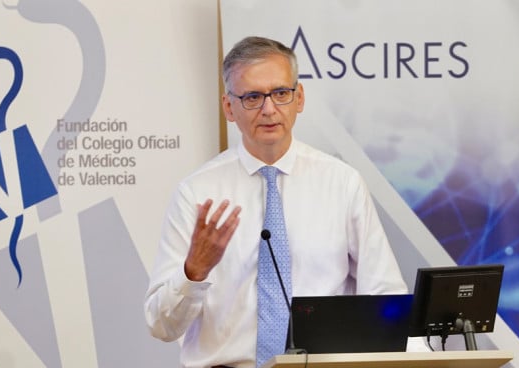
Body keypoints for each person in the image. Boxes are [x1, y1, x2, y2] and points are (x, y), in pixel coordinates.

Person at [144, 36, 408, 368]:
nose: (269, 109)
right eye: (253, 97)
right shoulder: (197, 193)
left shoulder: (342, 183)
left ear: (299, 98)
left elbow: (385, 298)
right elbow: (161, 325)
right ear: (229, 107)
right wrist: (193, 272)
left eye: (280, 93)